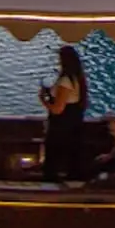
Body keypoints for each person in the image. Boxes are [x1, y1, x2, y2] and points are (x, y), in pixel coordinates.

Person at [39, 45, 88, 181]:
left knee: (53, 156)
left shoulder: (65, 81)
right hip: (73, 123)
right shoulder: (77, 78)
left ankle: (50, 183)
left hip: (61, 126)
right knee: (72, 154)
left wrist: (43, 100)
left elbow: (58, 109)